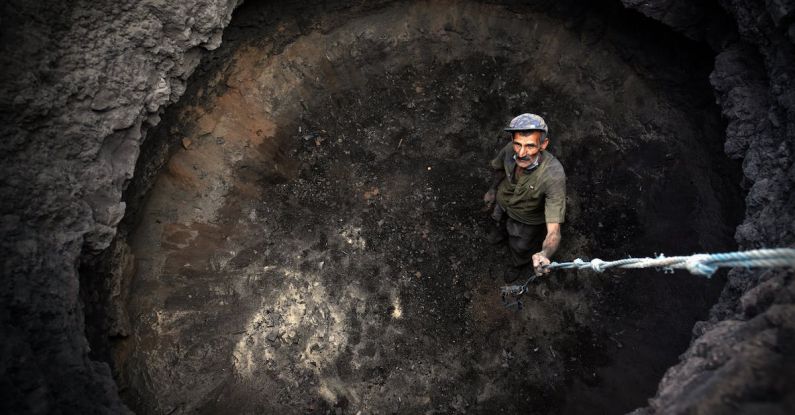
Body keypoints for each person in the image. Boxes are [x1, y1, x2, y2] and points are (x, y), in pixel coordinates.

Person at [483, 113, 566, 282]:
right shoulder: (508, 150)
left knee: (520, 247)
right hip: (503, 201)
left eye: (530, 146)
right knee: (498, 221)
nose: (521, 153)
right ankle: (500, 233)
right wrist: (492, 190)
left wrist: (545, 253)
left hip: (526, 220)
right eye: (517, 144)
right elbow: (499, 170)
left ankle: (517, 264)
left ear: (543, 144)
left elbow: (554, 231)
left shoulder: (553, 175)